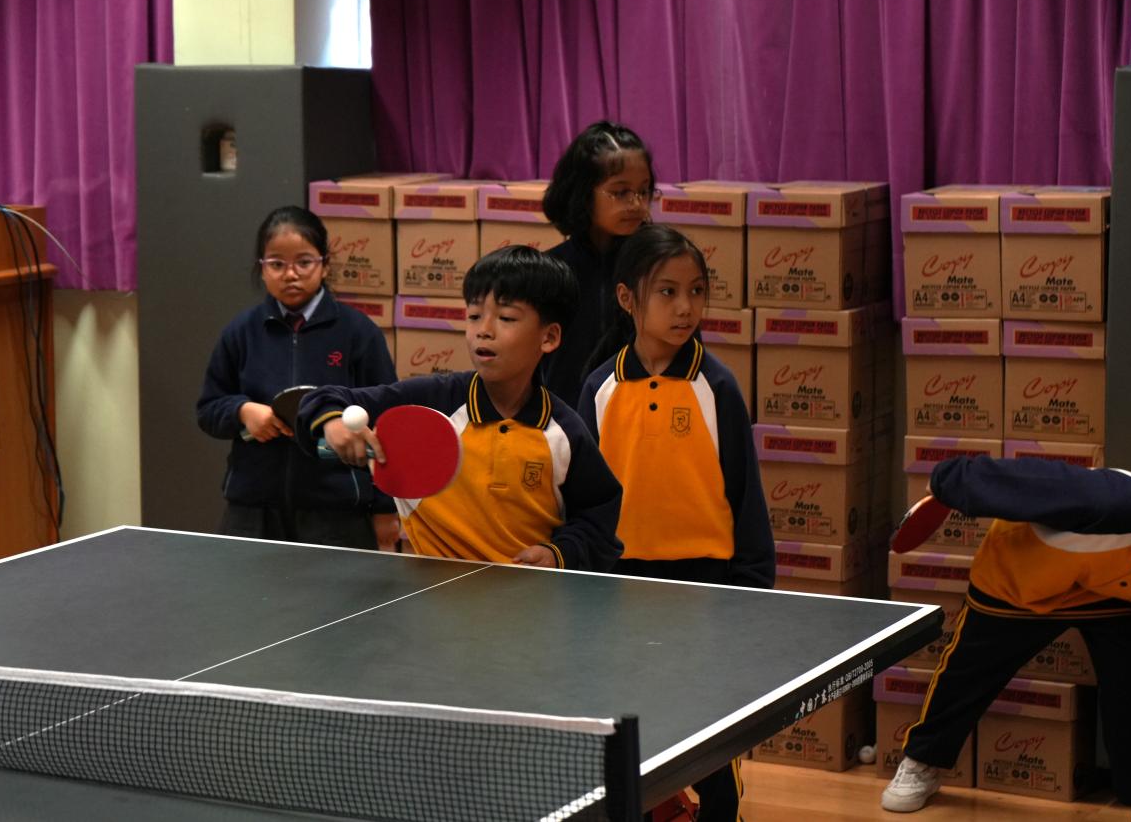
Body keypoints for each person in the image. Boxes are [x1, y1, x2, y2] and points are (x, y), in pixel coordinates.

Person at [881, 455, 1131, 822]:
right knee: (967, 673)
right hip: (1021, 578)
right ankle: (922, 760)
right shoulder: (1103, 500)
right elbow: (1021, 478)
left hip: (1111, 594)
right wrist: (946, 479)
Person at [577, 224, 775, 821]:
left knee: (710, 734)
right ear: (627, 298)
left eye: (696, 291)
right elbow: (585, 501)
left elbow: (746, 496)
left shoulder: (717, 386)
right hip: (623, 584)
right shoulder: (599, 388)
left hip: (705, 584)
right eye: (667, 291)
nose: (685, 307)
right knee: (634, 734)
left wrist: (751, 586)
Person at [294, 245, 624, 571]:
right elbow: (321, 399)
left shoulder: (564, 432)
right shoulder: (433, 399)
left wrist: (558, 553)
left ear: (548, 337)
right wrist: (332, 422)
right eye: (474, 316)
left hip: (528, 595)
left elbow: (598, 518)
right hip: (431, 593)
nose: (484, 330)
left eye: (506, 318)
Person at [196, 205, 400, 550]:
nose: (291, 274)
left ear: (325, 265)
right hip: (253, 509)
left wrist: (385, 508)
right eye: (277, 264)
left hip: (337, 512)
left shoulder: (357, 332)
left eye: (304, 262)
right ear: (261, 268)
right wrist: (243, 411)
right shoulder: (241, 332)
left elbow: (387, 424)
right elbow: (208, 409)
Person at [540, 120, 657, 408]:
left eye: (644, 191)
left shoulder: (659, 267)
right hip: (563, 419)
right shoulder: (548, 270)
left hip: (641, 417)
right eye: (620, 192)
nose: (637, 204)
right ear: (582, 193)